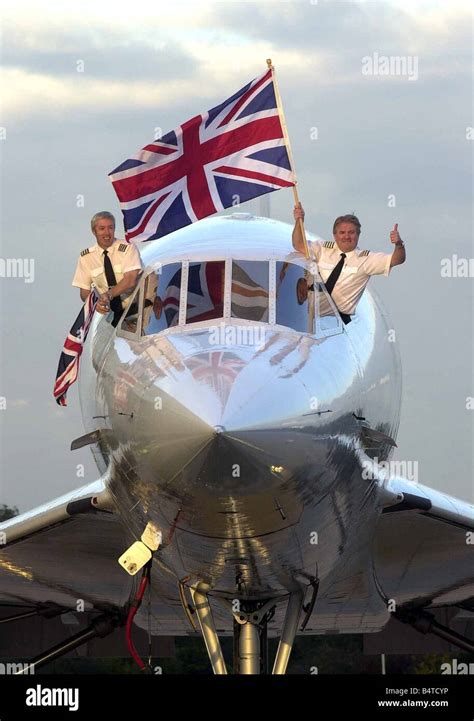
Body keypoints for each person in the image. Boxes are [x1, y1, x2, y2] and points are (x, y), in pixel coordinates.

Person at [292, 203, 405, 323]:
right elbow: (298, 244)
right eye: (342, 233)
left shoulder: (366, 259)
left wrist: (399, 244)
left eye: (351, 232)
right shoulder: (323, 249)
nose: (346, 236)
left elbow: (397, 259)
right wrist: (299, 221)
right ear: (335, 235)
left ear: (358, 235)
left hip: (333, 322)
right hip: (305, 316)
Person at [72, 211, 142, 326]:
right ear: (94, 231)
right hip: (111, 316)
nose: (107, 233)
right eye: (102, 228)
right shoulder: (86, 257)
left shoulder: (128, 248)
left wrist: (108, 295)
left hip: (137, 309)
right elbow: (84, 292)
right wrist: (96, 303)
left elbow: (130, 280)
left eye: (110, 228)